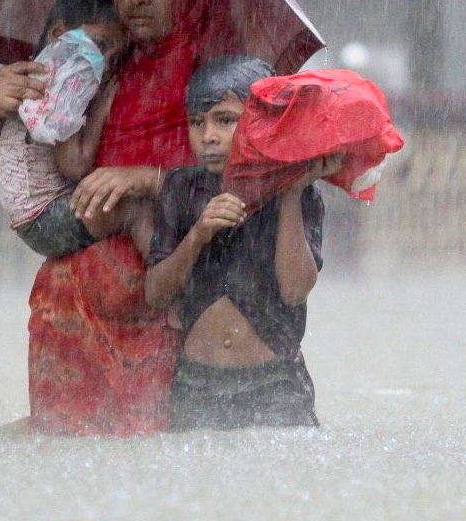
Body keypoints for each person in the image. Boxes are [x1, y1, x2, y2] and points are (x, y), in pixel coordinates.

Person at [0, 0, 244, 435]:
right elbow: (19, 173)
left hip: (164, 308)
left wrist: (148, 178)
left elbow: (240, 180)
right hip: (70, 307)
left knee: (157, 465)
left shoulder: (212, 74)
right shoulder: (96, 66)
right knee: (67, 471)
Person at [143, 55, 342, 429]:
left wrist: (291, 193)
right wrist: (199, 234)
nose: (208, 137)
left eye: (225, 120)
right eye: (196, 123)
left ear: (261, 123)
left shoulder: (301, 192)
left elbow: (295, 289)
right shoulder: (181, 189)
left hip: (275, 386)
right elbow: (155, 293)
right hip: (196, 384)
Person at [0, 0, 152, 257]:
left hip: (30, 215)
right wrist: (103, 107)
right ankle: (164, 282)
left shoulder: (43, 70)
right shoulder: (63, 83)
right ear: (59, 34)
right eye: (101, 45)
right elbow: (75, 165)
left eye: (116, 55)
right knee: (139, 211)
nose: (105, 61)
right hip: (45, 217)